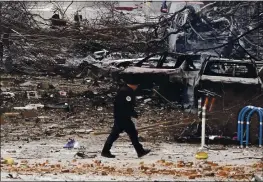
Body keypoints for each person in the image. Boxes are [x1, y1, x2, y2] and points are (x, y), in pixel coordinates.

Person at [101, 79, 151, 158]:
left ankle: (105, 151)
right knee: (132, 133)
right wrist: (133, 113)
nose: (137, 87)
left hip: (120, 116)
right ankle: (140, 151)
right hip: (123, 117)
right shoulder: (127, 92)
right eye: (137, 85)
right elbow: (126, 106)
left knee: (115, 134)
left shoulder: (124, 90)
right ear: (134, 85)